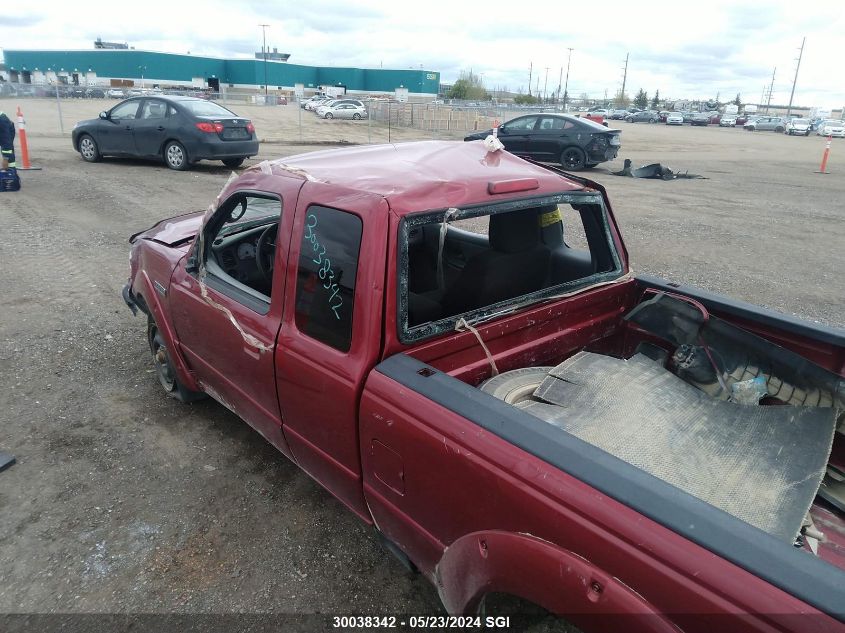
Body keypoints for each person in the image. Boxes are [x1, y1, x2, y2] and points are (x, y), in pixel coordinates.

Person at [0, 109, 21, 191]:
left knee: (8, 154)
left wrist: (6, 158)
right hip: (6, 126)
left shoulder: (2, 123)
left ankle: (11, 177)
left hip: (5, 128)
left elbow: (6, 143)